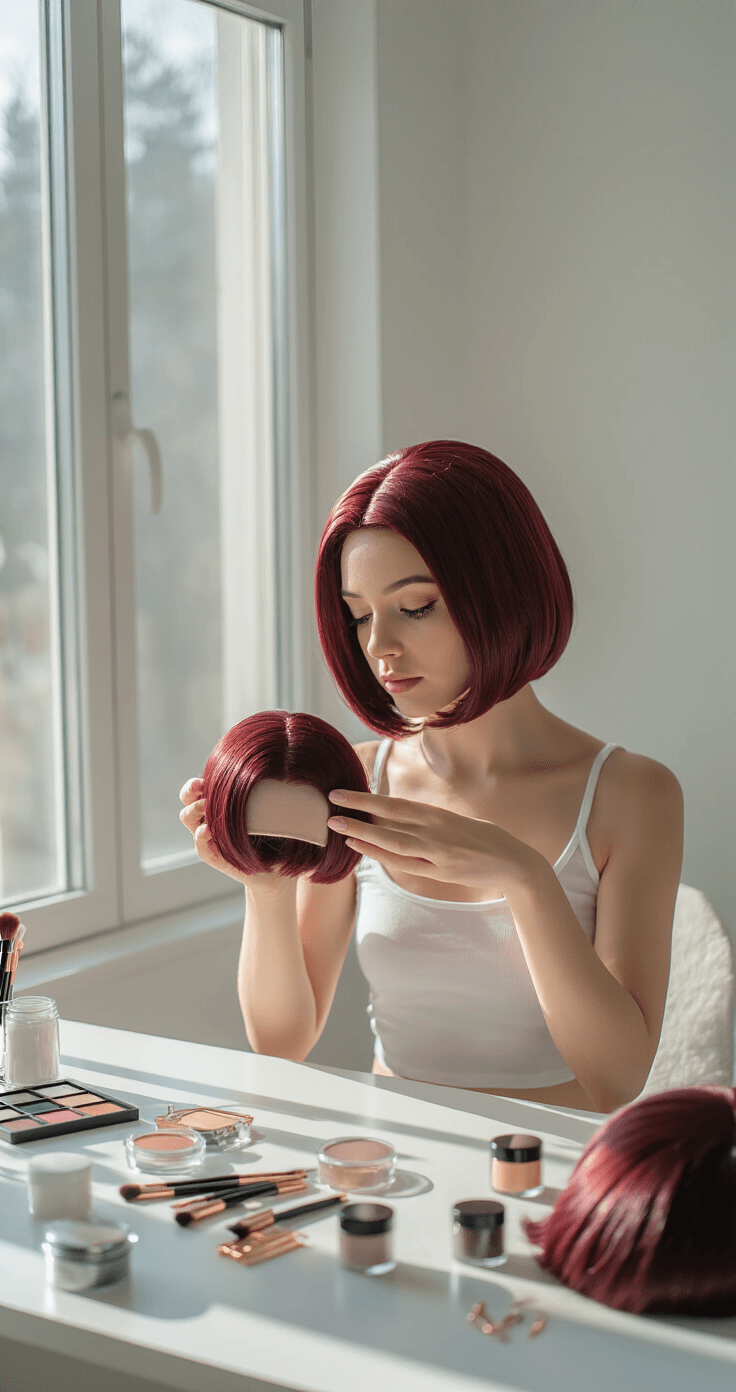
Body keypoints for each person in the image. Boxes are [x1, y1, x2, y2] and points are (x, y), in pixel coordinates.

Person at [180, 441, 683, 1113]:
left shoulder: (630, 796)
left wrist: (525, 878)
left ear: (501, 592)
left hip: (548, 1163)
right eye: (359, 614)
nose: (379, 646)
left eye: (414, 606)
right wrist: (266, 890)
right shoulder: (358, 779)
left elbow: (616, 1078)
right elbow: (282, 1042)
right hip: (396, 1155)